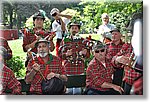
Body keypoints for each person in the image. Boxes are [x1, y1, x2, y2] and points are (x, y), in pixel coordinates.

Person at [58, 22, 90, 94]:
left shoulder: (83, 41)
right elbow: (59, 55)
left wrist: (85, 53)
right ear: (69, 30)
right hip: (68, 69)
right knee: (69, 91)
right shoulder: (65, 40)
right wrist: (66, 54)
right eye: (72, 28)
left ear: (78, 30)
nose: (74, 30)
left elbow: (88, 55)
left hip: (79, 69)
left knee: (77, 91)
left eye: (76, 28)